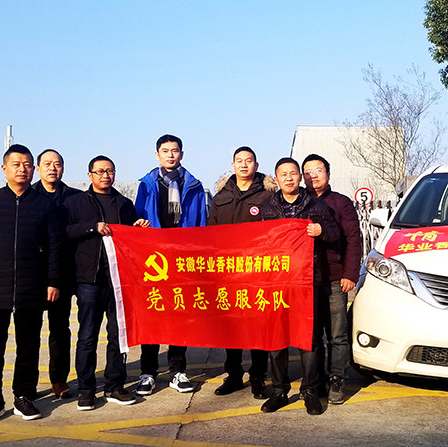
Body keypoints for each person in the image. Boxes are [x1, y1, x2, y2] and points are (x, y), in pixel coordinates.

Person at [0, 144, 63, 424]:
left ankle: (24, 395)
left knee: (28, 346)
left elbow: (55, 247)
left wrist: (53, 281)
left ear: (33, 170)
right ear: (4, 168)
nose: (23, 169)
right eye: (17, 164)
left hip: (32, 286)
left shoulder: (45, 204)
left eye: (27, 165)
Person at [64, 155, 150, 411]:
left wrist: (137, 227)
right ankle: (86, 390)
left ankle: (115, 385)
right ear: (89, 175)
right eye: (100, 171)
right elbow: (65, 232)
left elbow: (130, 240)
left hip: (120, 281)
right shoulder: (75, 202)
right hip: (90, 280)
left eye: (110, 171)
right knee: (87, 336)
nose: (105, 175)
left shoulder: (124, 204)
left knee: (118, 336)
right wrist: (92, 227)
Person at [259, 157, 339, 416]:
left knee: (309, 338)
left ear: (299, 177)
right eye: (283, 174)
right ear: (276, 179)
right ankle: (279, 390)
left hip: (307, 281)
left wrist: (321, 230)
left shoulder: (317, 206)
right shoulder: (267, 210)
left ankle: (310, 390)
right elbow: (256, 244)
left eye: (293, 173)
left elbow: (336, 234)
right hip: (276, 282)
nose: (289, 178)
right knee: (276, 337)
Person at [134, 134, 206, 395]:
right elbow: (137, 220)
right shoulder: (146, 185)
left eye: (174, 151)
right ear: (157, 155)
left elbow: (201, 224)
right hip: (154, 261)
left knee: (179, 316)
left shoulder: (194, 186)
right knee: (152, 316)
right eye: (165, 151)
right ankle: (147, 373)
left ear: (181, 154)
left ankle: (177, 371)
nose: (170, 155)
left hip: (182, 259)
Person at [207, 146, 276, 399]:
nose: (244, 165)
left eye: (248, 161)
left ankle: (258, 377)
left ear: (256, 165)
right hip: (228, 273)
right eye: (239, 161)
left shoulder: (269, 195)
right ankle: (234, 375)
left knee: (258, 327)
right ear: (233, 165)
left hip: (257, 272)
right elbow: (211, 233)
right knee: (232, 327)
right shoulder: (220, 197)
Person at [302, 154, 362, 405]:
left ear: (328, 173)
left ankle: (337, 378)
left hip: (336, 278)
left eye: (318, 170)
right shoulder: (299, 203)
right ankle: (315, 381)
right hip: (306, 280)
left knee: (337, 335)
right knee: (312, 334)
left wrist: (350, 274)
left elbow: (353, 239)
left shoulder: (341, 203)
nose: (313, 175)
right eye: (308, 171)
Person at [31, 149, 80, 400]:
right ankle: (27, 384)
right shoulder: (28, 197)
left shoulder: (76, 198)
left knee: (60, 328)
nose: (53, 168)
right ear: (38, 168)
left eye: (57, 164)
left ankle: (59, 379)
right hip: (35, 273)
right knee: (30, 331)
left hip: (66, 272)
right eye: (47, 164)